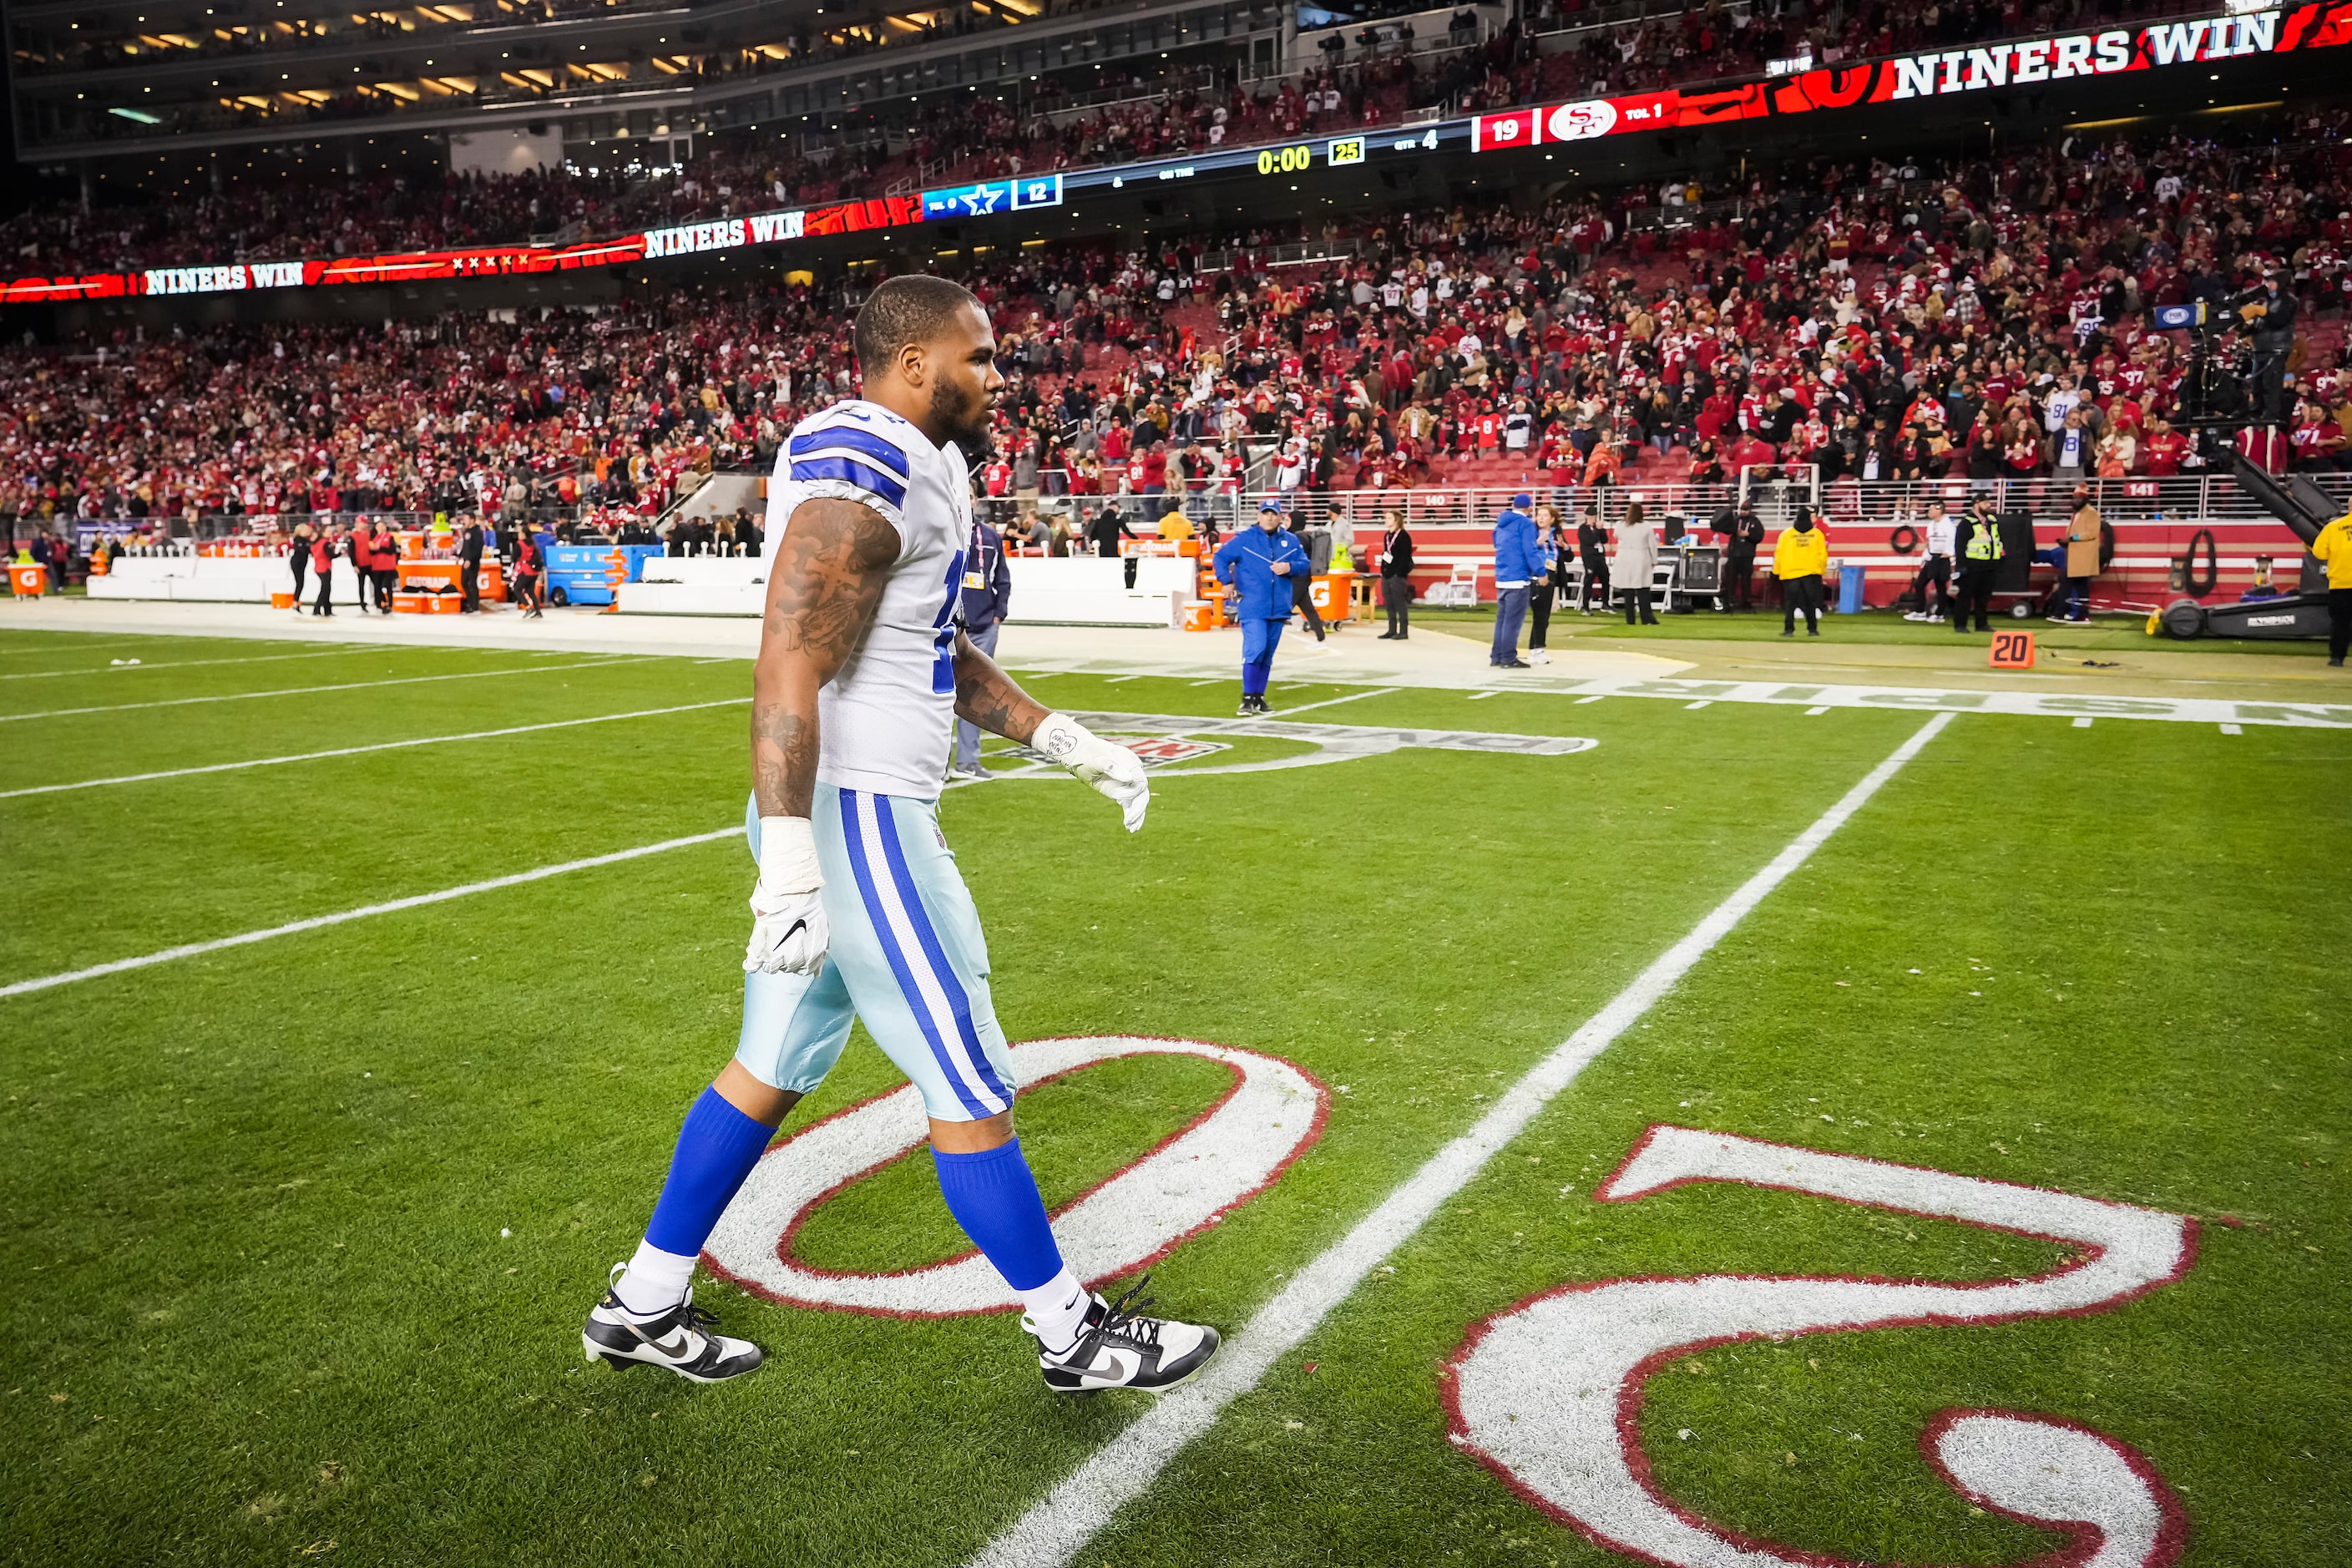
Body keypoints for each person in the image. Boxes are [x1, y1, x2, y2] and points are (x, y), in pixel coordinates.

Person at [582, 275, 1213, 1395]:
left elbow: (929, 646)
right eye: (979, 357)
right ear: (916, 364)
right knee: (966, 1075)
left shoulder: (934, 466)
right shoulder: (861, 452)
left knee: (767, 1067)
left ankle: (643, 1298)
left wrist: (1061, 738)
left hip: (851, 810)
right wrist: (788, 857)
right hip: (857, 816)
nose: (997, 376)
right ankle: (1072, 1334)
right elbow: (793, 653)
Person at [1214, 499, 1311, 715]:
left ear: (1280, 517)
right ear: (1259, 516)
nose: (1269, 517)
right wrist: (1226, 581)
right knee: (1256, 649)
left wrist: (1290, 566)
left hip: (1279, 606)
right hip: (1253, 605)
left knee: (1267, 654)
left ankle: (1258, 697)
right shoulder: (1245, 539)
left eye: (1273, 514)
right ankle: (1247, 697)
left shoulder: (1291, 540)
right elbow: (1220, 557)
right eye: (1265, 513)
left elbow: (1305, 564)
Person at [950, 515, 1012, 780]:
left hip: (984, 625)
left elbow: (1002, 578)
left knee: (974, 696)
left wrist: (998, 616)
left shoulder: (989, 536)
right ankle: (936, 768)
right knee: (938, 697)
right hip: (948, 628)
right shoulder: (945, 528)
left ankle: (967, 762)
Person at [1773, 504, 1828, 636]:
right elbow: (1823, 554)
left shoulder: (1786, 534)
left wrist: (1777, 571)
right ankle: (1812, 629)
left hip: (1790, 572)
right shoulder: (1817, 534)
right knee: (1811, 602)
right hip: (1811, 572)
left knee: (1790, 604)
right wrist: (1820, 570)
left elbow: (1779, 553)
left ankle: (1789, 630)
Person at [1953, 499, 2006, 633]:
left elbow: (1998, 541)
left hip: (1989, 564)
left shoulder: (1993, 521)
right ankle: (1960, 625)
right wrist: (1961, 566)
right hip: (1972, 565)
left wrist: (2001, 559)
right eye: (1985, 503)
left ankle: (1981, 624)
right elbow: (1960, 546)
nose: (1989, 505)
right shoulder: (1967, 523)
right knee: (1965, 596)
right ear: (1976, 504)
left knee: (1983, 597)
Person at [1902, 501, 1955, 623]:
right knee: (1920, 584)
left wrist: (1948, 554)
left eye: (1931, 509)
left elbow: (1953, 540)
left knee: (1940, 586)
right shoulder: (1931, 525)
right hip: (1931, 557)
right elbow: (1929, 542)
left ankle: (1939, 614)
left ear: (1939, 510)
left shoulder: (1948, 524)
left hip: (1943, 558)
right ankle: (1920, 611)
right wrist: (1925, 557)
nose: (1929, 512)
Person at [2053, 485, 2099, 624]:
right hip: (2076, 556)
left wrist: (2072, 539)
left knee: (2066, 583)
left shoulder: (2091, 513)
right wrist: (2066, 541)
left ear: (2085, 499)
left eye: (2079, 498)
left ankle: (2060, 613)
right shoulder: (2078, 513)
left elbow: (2092, 533)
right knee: (2081, 587)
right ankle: (2083, 615)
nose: (2076, 500)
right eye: (2074, 498)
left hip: (2083, 556)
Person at [1525, 503, 1565, 665]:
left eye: (1544, 515)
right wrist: (1538, 542)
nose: (1541, 518)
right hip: (1538, 573)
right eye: (1539, 515)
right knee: (1540, 614)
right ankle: (1537, 649)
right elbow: (1527, 550)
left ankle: (1536, 649)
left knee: (1545, 614)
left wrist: (1566, 548)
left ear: (1552, 519)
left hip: (1552, 572)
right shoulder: (1532, 532)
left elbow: (1565, 556)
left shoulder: (1557, 534)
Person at [1611, 501, 1660, 625]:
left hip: (1625, 558)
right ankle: (1646, 618)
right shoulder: (1646, 526)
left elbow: (1616, 535)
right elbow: (1652, 545)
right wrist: (1654, 560)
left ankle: (1630, 620)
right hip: (1641, 557)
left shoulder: (1621, 525)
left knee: (1628, 591)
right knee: (1643, 589)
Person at [2315, 505, 2352, 667]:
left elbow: (2319, 553)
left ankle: (2337, 657)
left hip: (2340, 583)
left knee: (2340, 623)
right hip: (2340, 583)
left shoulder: (2333, 527)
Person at [1377, 508, 1414, 640]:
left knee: (1399, 603)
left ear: (1397, 520)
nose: (1386, 520)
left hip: (1397, 576)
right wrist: (1383, 571)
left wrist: (1398, 573)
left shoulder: (1404, 537)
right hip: (1387, 574)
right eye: (1386, 518)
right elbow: (1386, 554)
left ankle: (1403, 631)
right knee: (1389, 604)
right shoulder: (1387, 536)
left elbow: (1404, 557)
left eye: (1389, 518)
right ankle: (1391, 629)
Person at [1720, 500, 1763, 611]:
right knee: (1731, 579)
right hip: (1734, 554)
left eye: (1746, 510)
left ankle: (1746, 602)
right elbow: (1727, 531)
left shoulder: (1755, 522)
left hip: (1747, 555)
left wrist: (1748, 535)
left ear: (1750, 510)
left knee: (1746, 579)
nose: (1744, 512)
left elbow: (1759, 537)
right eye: (1742, 510)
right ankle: (1730, 601)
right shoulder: (1736, 520)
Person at [1086, 503, 1136, 589]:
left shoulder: (1099, 520)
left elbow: (1093, 534)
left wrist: (1092, 542)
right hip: (1113, 547)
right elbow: (1126, 530)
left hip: (1102, 548)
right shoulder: (1117, 519)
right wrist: (1136, 539)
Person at [1576, 507, 1611, 613]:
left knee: (1605, 578)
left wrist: (1601, 530)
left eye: (1594, 516)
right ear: (1586, 516)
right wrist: (1597, 531)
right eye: (1591, 516)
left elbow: (1604, 540)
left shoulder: (1598, 527)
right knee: (1589, 580)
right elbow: (1589, 541)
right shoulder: (1583, 528)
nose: (1593, 518)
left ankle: (1605, 603)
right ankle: (1585, 605)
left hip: (1600, 556)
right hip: (1589, 557)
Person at [512, 529, 545, 619]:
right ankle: (538, 611)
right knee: (530, 591)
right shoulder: (533, 544)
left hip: (525, 570)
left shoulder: (519, 544)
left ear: (523, 534)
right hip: (534, 572)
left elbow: (513, 558)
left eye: (519, 532)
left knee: (517, 589)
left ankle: (528, 607)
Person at [458, 513, 486, 613]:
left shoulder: (477, 532)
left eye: (466, 518)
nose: (464, 520)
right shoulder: (467, 531)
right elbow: (465, 546)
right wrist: (460, 556)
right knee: (464, 582)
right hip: (466, 561)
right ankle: (470, 603)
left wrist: (470, 559)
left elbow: (478, 548)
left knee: (473, 584)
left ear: (472, 520)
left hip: (473, 562)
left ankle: (475, 606)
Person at [309, 527, 336, 616]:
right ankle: (318, 609)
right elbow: (331, 555)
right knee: (325, 589)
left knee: (325, 588)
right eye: (328, 531)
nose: (330, 532)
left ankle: (326, 609)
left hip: (318, 567)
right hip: (325, 567)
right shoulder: (326, 543)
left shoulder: (317, 542)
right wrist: (339, 553)